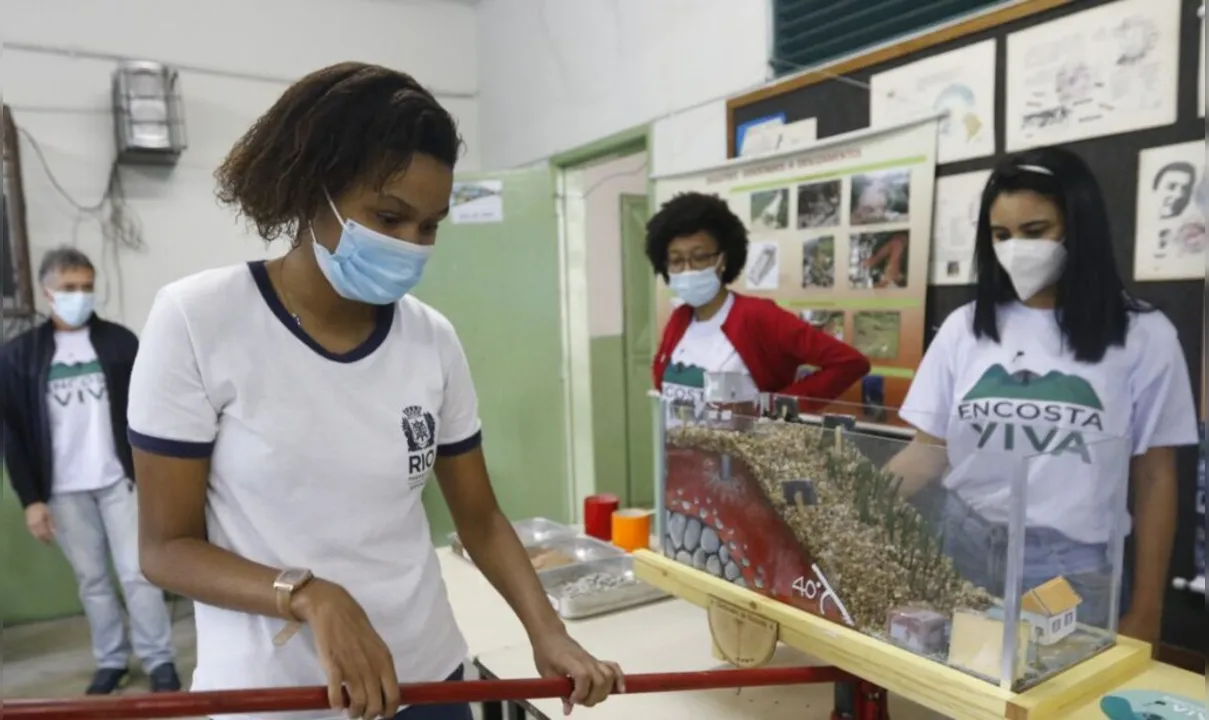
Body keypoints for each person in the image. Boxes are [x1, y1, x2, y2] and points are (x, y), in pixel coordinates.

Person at [126, 62, 621, 720]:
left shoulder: (431, 339)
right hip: (279, 695)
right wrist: (306, 594)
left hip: (428, 676)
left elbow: (479, 520)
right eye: (388, 217)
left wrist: (546, 632)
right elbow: (166, 548)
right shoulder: (199, 320)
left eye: (429, 226)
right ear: (311, 192)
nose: (411, 246)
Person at [892, 147, 1197, 647]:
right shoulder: (964, 328)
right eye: (1001, 235)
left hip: (1070, 569)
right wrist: (844, 506)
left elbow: (1156, 476)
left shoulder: (1143, 334)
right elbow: (927, 451)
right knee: (960, 691)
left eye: (1035, 232)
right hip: (962, 545)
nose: (1016, 248)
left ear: (1078, 226)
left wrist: (1147, 610)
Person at [0, 247, 180, 695]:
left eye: (86, 287)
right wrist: (32, 501)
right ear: (47, 293)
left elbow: (148, 413)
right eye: (68, 289)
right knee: (93, 581)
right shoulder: (19, 357)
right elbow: (14, 434)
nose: (79, 296)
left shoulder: (120, 344)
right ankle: (112, 660)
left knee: (139, 573)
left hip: (120, 481)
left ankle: (159, 660)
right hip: (61, 490)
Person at [648, 192, 870, 416]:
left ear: (722, 259)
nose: (688, 269)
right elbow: (663, 386)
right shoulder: (680, 318)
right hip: (675, 449)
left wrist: (777, 409)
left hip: (742, 449)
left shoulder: (758, 316)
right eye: (676, 260)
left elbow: (850, 363)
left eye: (700, 257)